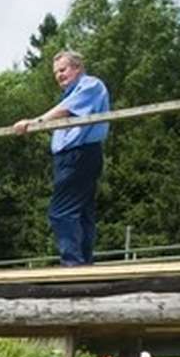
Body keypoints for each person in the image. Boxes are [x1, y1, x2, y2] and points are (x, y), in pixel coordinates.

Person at [13, 50, 111, 266]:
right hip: (71, 157)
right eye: (56, 72)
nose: (59, 75)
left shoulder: (91, 85)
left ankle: (72, 264)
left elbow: (67, 109)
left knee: (61, 212)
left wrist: (35, 122)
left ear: (77, 67)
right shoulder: (69, 95)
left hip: (79, 155)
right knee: (82, 211)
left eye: (63, 69)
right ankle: (84, 262)